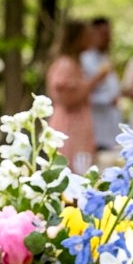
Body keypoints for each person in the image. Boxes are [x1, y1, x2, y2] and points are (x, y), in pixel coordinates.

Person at [46, 20, 112, 173]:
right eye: (87, 35)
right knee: (69, 172)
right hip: (68, 127)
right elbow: (66, 97)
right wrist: (95, 81)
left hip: (78, 126)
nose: (91, 39)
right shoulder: (65, 64)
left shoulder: (76, 62)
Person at [80, 17, 121, 153]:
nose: (108, 38)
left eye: (109, 33)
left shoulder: (105, 58)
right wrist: (108, 100)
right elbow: (82, 94)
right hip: (96, 129)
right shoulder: (84, 60)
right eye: (103, 34)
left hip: (112, 128)